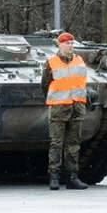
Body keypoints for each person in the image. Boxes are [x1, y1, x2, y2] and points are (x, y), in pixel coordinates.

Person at [40, 32, 88, 190]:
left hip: (77, 107)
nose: (70, 46)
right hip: (59, 108)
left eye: (72, 44)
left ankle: (72, 177)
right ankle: (54, 175)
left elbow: (82, 82)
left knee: (73, 144)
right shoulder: (51, 62)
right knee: (57, 143)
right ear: (60, 45)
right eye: (67, 44)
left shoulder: (79, 61)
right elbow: (45, 85)